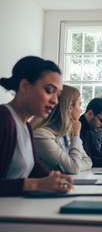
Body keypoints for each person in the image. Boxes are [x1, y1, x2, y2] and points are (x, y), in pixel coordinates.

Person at [0, 56, 73, 196]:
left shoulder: (26, 126)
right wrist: (35, 184)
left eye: (58, 94)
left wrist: (55, 179)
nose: (55, 101)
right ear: (24, 86)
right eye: (49, 91)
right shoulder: (3, 119)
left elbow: (34, 169)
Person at [31, 85, 92, 174]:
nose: (81, 111)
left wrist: (74, 166)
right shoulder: (41, 135)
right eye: (79, 105)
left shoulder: (65, 133)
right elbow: (74, 167)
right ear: (70, 108)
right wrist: (76, 135)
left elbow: (88, 161)